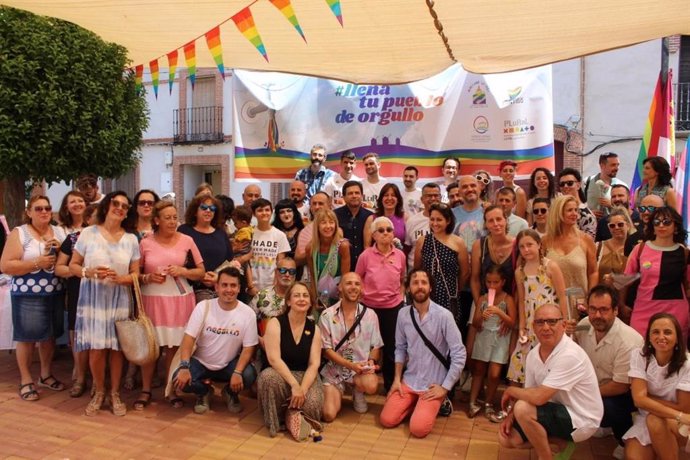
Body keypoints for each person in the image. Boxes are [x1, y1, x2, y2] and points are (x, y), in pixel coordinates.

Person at [68, 191, 140, 416]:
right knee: (97, 348)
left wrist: (123, 278)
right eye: (116, 203)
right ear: (107, 206)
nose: (120, 208)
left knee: (117, 348)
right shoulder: (88, 233)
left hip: (119, 297)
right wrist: (87, 272)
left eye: (125, 206)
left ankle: (115, 393)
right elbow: (72, 266)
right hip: (93, 297)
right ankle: (99, 391)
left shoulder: (131, 238)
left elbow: (136, 273)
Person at [498, 304, 603, 459]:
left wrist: (510, 390)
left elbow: (538, 397)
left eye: (552, 322)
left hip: (581, 418)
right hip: (554, 409)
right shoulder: (534, 354)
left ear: (563, 325)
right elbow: (529, 393)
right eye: (540, 322)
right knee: (507, 438)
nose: (546, 327)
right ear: (533, 327)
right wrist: (511, 416)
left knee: (523, 409)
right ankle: (560, 443)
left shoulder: (570, 354)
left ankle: (545, 457)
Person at [379, 269, 466, 438]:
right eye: (415, 282)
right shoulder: (403, 314)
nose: (420, 286)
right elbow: (400, 348)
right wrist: (397, 379)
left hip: (434, 385)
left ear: (431, 288)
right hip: (410, 380)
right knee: (387, 420)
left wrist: (445, 387)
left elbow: (459, 353)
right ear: (408, 288)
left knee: (418, 430)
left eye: (424, 282)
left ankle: (439, 402)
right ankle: (415, 403)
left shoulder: (444, 316)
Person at [135, 201, 205, 410]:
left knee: (173, 348)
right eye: (167, 217)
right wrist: (148, 277)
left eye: (175, 217)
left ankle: (170, 389)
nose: (173, 221)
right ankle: (146, 390)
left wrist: (183, 271)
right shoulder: (145, 242)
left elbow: (201, 271)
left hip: (180, 300)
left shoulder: (188, 240)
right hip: (152, 301)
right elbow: (135, 274)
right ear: (156, 220)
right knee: (150, 347)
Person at [0, 195, 67, 402]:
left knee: (49, 336)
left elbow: (67, 260)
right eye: (38, 209)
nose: (44, 212)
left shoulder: (59, 231)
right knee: (27, 338)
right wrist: (38, 263)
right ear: (29, 212)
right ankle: (26, 379)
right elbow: (6, 266)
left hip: (54, 292)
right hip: (28, 293)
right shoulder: (20, 233)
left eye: (47, 207)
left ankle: (45, 374)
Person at [570, 285, 643, 459]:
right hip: (595, 386)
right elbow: (574, 353)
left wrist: (584, 394)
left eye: (604, 310)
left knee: (609, 408)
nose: (597, 316)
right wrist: (566, 335)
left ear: (616, 310)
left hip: (624, 394)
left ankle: (623, 438)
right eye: (593, 309)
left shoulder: (629, 341)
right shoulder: (584, 325)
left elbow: (621, 386)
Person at [173, 267, 258, 414]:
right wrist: (184, 366)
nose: (229, 289)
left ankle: (230, 393)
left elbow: (248, 348)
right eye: (224, 285)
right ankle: (203, 392)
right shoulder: (203, 307)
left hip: (228, 365)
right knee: (179, 379)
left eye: (233, 285)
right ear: (216, 287)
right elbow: (189, 338)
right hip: (200, 363)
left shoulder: (248, 314)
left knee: (249, 375)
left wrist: (237, 372)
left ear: (239, 289)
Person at [258, 282, 324, 438]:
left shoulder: (315, 329)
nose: (301, 299)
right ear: (288, 301)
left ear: (310, 302)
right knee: (268, 378)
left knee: (313, 406)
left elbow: (314, 364)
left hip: (304, 376)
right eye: (297, 295)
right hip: (280, 375)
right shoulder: (275, 323)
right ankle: (281, 418)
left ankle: (292, 413)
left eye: (305, 295)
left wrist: (303, 389)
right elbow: (274, 359)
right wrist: (294, 385)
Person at [622, 313, 690, 459]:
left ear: (677, 337)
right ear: (649, 337)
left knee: (654, 420)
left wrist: (646, 398)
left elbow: (684, 408)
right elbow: (638, 401)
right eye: (655, 332)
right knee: (634, 457)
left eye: (667, 332)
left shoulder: (688, 364)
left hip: (679, 423)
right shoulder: (639, 356)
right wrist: (677, 412)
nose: (661, 337)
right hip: (654, 417)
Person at [319, 272, 383, 420]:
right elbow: (326, 351)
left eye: (357, 284)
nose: (353, 287)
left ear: (361, 289)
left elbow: (376, 346)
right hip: (334, 370)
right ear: (339, 287)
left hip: (359, 371)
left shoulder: (370, 315)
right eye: (348, 283)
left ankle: (357, 390)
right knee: (328, 414)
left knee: (372, 384)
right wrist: (350, 365)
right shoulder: (327, 315)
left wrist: (371, 362)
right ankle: (338, 390)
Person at [508, 229, 567, 385]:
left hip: (550, 320)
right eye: (522, 247)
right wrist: (522, 327)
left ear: (539, 245)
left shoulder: (550, 266)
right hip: (530, 322)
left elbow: (562, 296)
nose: (526, 249)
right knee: (520, 360)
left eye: (530, 245)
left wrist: (564, 322)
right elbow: (521, 300)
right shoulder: (519, 272)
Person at [356, 216, 407, 392]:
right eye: (381, 230)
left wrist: (400, 296)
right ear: (374, 235)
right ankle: (362, 388)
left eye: (389, 230)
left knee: (392, 349)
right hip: (369, 308)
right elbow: (358, 278)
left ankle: (390, 386)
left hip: (393, 308)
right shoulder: (365, 256)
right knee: (366, 348)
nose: (386, 233)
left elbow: (402, 279)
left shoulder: (400, 255)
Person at [624, 206, 690, 338]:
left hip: (676, 311)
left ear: (675, 227)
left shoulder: (684, 253)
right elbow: (625, 280)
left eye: (666, 222)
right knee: (638, 349)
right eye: (656, 222)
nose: (661, 225)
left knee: (673, 354)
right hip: (643, 309)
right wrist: (622, 305)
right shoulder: (640, 249)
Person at [55, 202, 97, 398]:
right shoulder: (73, 239)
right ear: (88, 219)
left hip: (102, 295)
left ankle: (98, 380)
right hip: (78, 293)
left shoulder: (114, 240)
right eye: (96, 216)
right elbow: (59, 268)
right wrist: (80, 272)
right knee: (80, 338)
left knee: (99, 339)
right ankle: (80, 378)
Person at [468, 265, 516, 422]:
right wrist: (482, 315)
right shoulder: (482, 299)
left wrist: (499, 312)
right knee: (479, 370)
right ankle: (472, 402)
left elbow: (512, 322)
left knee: (494, 374)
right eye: (488, 282)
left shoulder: (507, 299)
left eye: (496, 282)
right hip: (483, 338)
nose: (492, 286)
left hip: (500, 340)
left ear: (503, 282)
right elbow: (475, 323)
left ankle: (489, 402)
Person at [414, 203, 469, 331]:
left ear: (448, 221)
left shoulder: (458, 242)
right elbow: (417, 269)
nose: (435, 223)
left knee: (448, 332)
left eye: (439, 219)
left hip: (450, 297)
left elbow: (465, 272)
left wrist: (453, 290)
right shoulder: (422, 241)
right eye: (432, 219)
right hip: (427, 295)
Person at [470, 205, 515, 349]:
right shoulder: (480, 245)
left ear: (506, 220)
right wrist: (480, 306)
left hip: (508, 305)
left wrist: (508, 315)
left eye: (499, 219)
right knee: (471, 351)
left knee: (503, 353)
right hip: (482, 301)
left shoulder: (516, 245)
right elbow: (475, 279)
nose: (496, 224)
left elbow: (520, 283)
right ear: (486, 224)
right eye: (491, 221)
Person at [178, 195, 233, 302]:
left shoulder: (221, 233)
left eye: (212, 209)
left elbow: (229, 261)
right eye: (204, 207)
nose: (208, 211)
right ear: (195, 211)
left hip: (218, 288)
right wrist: (198, 275)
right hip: (190, 288)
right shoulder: (184, 230)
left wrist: (218, 277)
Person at [543, 195, 598, 296]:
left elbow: (593, 272)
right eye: (569, 210)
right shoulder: (545, 241)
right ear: (558, 212)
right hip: (552, 302)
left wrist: (591, 298)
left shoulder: (586, 240)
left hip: (580, 303)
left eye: (576, 210)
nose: (574, 214)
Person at [249, 257, 298, 364]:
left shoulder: (301, 298)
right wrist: (258, 339)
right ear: (276, 272)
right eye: (283, 270)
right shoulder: (262, 296)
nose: (287, 274)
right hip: (264, 354)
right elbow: (246, 323)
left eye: (291, 271)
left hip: (293, 354)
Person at [307, 209, 350, 309]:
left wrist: (341, 302)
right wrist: (314, 300)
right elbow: (313, 278)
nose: (328, 226)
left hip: (338, 297)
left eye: (331, 222)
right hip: (320, 297)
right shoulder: (310, 248)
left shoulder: (343, 246)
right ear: (317, 226)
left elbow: (345, 277)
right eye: (323, 223)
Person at [250, 198, 290, 293]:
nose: (264, 213)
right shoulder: (249, 233)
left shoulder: (280, 235)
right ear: (254, 213)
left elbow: (281, 263)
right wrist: (250, 286)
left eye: (267, 210)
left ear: (272, 212)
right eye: (260, 210)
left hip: (272, 285)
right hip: (252, 286)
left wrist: (276, 284)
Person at [334, 180, 373, 271]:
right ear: (344, 197)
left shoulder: (370, 216)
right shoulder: (335, 216)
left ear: (362, 196)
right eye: (350, 193)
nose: (354, 196)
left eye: (357, 193)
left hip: (365, 267)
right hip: (340, 267)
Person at [404, 183, 441, 269]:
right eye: (429, 196)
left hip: (440, 272)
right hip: (416, 271)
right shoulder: (412, 221)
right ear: (422, 199)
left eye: (436, 195)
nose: (433, 199)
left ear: (440, 197)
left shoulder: (448, 220)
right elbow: (407, 248)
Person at [596, 206, 634, 287]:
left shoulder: (634, 249)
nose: (616, 228)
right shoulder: (598, 247)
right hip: (601, 294)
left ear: (628, 226)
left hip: (624, 296)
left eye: (620, 224)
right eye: (612, 226)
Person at [294, 191, 331, 269]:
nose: (317, 207)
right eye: (314, 204)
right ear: (310, 207)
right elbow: (297, 260)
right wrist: (315, 247)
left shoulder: (337, 229)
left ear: (329, 205)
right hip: (309, 276)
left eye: (321, 203)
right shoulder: (305, 230)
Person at [558, 168, 597, 239]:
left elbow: (588, 244)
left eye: (570, 183)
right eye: (562, 184)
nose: (565, 186)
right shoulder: (558, 211)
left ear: (578, 185)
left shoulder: (587, 216)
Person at [363, 183, 406, 248]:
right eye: (386, 195)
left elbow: (408, 244)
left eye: (393, 195)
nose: (389, 198)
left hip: (399, 257)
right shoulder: (371, 219)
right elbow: (367, 247)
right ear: (381, 199)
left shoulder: (405, 217)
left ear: (398, 200)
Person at [584, 152, 624, 217]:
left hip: (612, 225)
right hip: (591, 225)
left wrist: (612, 205)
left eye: (618, 165)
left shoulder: (622, 186)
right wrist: (589, 213)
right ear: (602, 166)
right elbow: (577, 204)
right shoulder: (586, 182)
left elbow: (627, 210)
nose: (617, 168)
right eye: (613, 165)